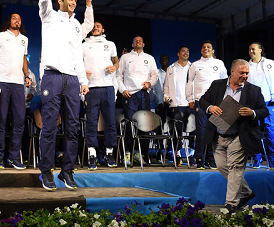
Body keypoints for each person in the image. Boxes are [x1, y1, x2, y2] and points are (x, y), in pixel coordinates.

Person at [38, 0, 93, 190]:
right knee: (49, 127)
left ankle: (67, 171)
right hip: (51, 77)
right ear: (60, 1)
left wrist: (83, 80)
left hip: (72, 80)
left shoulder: (75, 25)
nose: (73, 3)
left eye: (75, 1)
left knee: (72, 128)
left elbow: (77, 55)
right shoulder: (48, 16)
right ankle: (46, 172)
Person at [199, 59, 269, 213]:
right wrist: (210, 108)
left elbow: (264, 110)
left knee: (236, 168)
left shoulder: (254, 90)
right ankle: (246, 192)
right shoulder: (217, 85)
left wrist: (252, 113)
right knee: (223, 167)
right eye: (242, 73)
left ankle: (231, 204)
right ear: (232, 72)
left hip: (239, 136)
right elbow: (203, 100)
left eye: (247, 73)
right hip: (218, 135)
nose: (245, 76)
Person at [0, 13, 31, 170]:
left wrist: (26, 76)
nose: (17, 20)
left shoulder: (24, 39)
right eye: (14, 18)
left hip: (18, 84)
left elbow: (24, 59)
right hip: (1, 82)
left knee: (19, 121)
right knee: (1, 121)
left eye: (19, 18)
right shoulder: (0, 36)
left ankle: (13, 157)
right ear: (8, 21)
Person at [82, 21, 119, 170]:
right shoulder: (83, 45)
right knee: (91, 122)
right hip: (91, 88)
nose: (95, 27)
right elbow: (76, 63)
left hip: (108, 87)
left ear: (103, 29)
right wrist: (82, 73)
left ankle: (109, 153)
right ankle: (92, 154)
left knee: (110, 122)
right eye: (93, 26)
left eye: (98, 26)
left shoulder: (110, 44)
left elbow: (116, 62)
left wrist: (114, 67)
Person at [117, 35, 159, 165]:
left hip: (144, 94)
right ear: (133, 43)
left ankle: (140, 154)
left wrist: (150, 83)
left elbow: (155, 75)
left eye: (140, 40)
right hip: (130, 94)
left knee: (144, 124)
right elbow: (118, 75)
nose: (138, 41)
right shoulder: (125, 57)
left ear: (144, 44)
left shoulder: (149, 58)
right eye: (135, 40)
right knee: (130, 124)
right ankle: (128, 153)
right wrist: (123, 89)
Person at [186, 40, 227, 169]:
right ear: (201, 50)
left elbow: (225, 81)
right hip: (201, 101)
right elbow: (189, 82)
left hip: (217, 102)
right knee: (202, 130)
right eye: (203, 47)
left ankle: (211, 159)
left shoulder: (219, 63)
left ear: (213, 50)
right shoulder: (195, 65)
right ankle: (199, 159)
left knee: (215, 131)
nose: (206, 49)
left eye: (208, 47)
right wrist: (190, 99)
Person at [247, 42, 274, 169]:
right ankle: (257, 158)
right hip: (253, 104)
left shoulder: (270, 64)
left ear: (260, 50)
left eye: (253, 49)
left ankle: (272, 158)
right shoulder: (247, 66)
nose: (251, 51)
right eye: (249, 49)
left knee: (270, 130)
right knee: (253, 131)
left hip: (268, 102)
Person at [163, 46, 194, 164]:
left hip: (190, 104)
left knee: (192, 131)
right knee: (176, 131)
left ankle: (192, 153)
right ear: (178, 54)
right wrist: (168, 99)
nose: (186, 53)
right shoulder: (171, 68)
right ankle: (177, 154)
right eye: (183, 51)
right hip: (176, 105)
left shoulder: (193, 67)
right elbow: (166, 87)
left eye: (187, 51)